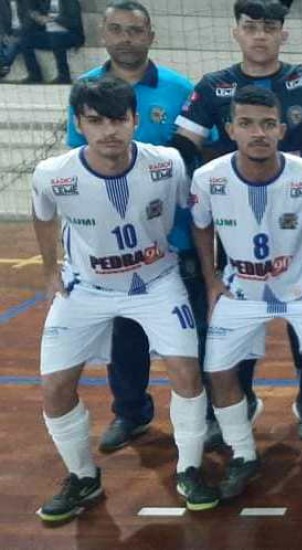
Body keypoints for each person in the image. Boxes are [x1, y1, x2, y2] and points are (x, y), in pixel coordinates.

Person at [32, 77, 218, 522]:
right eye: (96, 121)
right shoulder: (53, 174)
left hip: (156, 282)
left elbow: (189, 215)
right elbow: (42, 215)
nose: (108, 131)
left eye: (118, 120)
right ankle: (83, 477)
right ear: (79, 124)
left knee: (187, 374)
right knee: (54, 387)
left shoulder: (167, 164)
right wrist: (49, 268)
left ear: (135, 119)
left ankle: (190, 469)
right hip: (86, 288)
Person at [174, 0, 302, 443]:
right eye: (250, 27)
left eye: (270, 27)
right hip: (240, 222)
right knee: (238, 323)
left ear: (283, 34)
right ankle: (243, 401)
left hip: (299, 219)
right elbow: (184, 144)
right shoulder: (213, 86)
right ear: (236, 32)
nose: (260, 35)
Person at [190, 86, 302, 500]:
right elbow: (201, 225)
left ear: (281, 129)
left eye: (266, 124)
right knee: (218, 372)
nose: (257, 133)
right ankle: (243, 455)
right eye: (246, 124)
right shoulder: (208, 178)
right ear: (231, 129)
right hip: (241, 290)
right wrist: (211, 280)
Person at [62, 0, 205, 455]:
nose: (126, 38)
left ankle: (204, 416)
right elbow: (76, 160)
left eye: (135, 30)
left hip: (174, 236)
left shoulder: (180, 89)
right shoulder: (85, 88)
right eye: (117, 29)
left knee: (191, 331)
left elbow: (197, 156)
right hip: (113, 245)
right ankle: (131, 412)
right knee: (126, 335)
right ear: (104, 35)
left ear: (150, 36)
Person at [16, 0, 84, 84]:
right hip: (49, 34)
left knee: (56, 37)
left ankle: (64, 76)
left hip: (70, 35)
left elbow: (74, 22)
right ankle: (35, 74)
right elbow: (37, 13)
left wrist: (53, 19)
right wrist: (37, 17)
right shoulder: (46, 2)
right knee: (25, 40)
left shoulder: (69, 2)